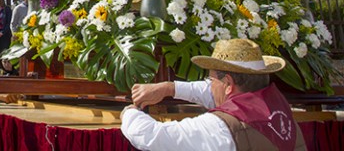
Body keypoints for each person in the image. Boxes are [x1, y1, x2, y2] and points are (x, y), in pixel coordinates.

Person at [121, 38, 305, 151]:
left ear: (228, 84)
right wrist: (169, 88)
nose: (209, 85)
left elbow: (152, 136)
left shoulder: (220, 128)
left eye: (211, 80)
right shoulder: (279, 109)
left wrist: (130, 112)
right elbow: (214, 94)